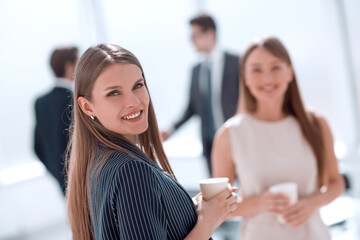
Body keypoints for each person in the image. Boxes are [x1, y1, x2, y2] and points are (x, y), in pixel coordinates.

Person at [66, 44, 238, 240]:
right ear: (87, 107)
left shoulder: (98, 163)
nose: (134, 101)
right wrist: (208, 221)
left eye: (138, 86)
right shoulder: (132, 171)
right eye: (114, 93)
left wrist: (188, 210)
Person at [212, 36, 344, 239]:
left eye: (275, 68)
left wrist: (313, 202)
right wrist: (259, 203)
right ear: (245, 77)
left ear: (290, 72)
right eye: (256, 70)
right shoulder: (229, 135)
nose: (267, 79)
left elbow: (336, 182)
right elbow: (217, 206)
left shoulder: (316, 124)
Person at [161, 14, 240, 175]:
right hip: (211, 145)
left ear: (210, 33)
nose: (191, 41)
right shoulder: (196, 70)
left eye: (194, 36)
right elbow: (191, 108)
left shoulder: (237, 62)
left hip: (238, 140)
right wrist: (170, 129)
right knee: (219, 192)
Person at [34, 46, 78, 195]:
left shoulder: (41, 102)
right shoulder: (74, 100)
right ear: (69, 66)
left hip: (63, 182)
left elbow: (37, 147)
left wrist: (58, 175)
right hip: (84, 179)